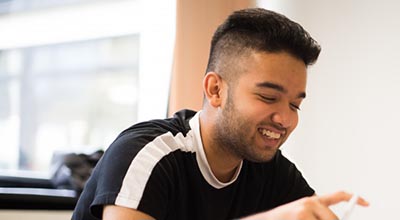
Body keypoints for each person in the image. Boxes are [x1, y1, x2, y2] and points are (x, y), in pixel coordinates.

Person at [73, 8, 367, 220]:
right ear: (215, 90)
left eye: (295, 104)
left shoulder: (273, 172)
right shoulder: (146, 155)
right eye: (268, 97)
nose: (285, 119)